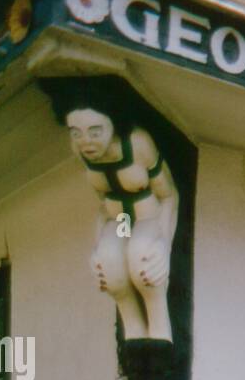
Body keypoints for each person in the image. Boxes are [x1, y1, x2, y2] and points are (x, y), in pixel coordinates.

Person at [51, 83, 179, 343]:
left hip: (146, 215)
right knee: (111, 269)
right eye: (76, 133)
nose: (85, 142)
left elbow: (168, 195)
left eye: (95, 132)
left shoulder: (138, 143)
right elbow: (102, 204)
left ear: (113, 124)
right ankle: (134, 344)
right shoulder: (83, 153)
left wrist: (164, 245)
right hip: (118, 220)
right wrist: (97, 247)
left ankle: (160, 341)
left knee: (144, 262)